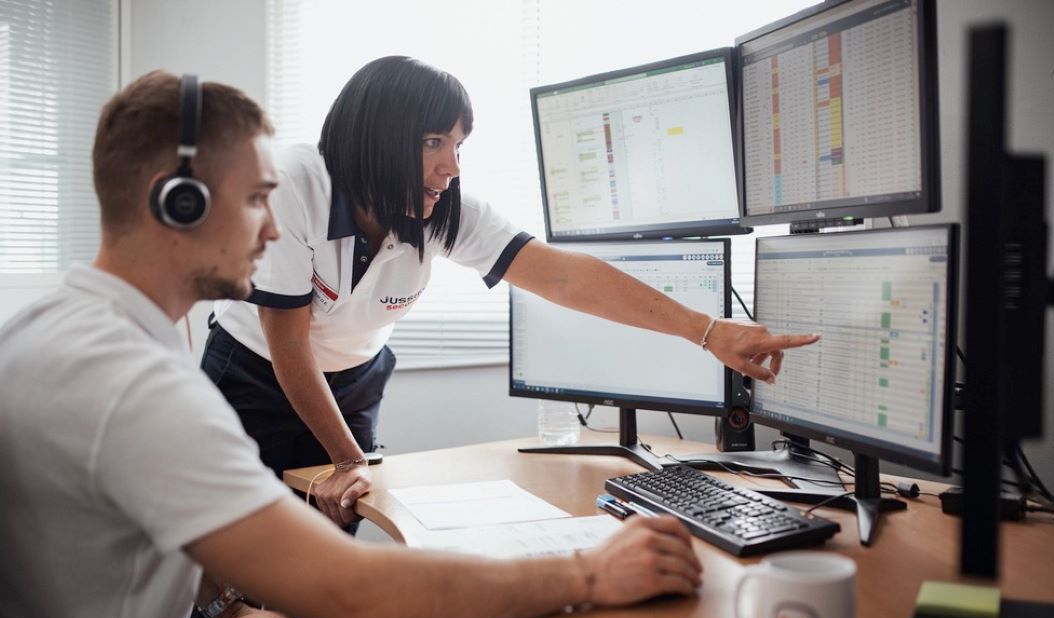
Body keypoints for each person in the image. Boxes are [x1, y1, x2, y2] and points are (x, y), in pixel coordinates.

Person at [0, 71, 703, 618]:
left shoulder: (56, 331)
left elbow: (175, 514)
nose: (274, 228)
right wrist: (589, 573)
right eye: (256, 200)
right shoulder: (143, 387)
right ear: (179, 201)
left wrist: (225, 606)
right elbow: (355, 594)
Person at [206, 55, 820, 528]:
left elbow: (563, 276)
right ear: (376, 138)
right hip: (256, 373)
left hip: (354, 380)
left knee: (325, 549)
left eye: (457, 146)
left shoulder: (444, 208)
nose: (451, 167)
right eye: (432, 142)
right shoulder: (294, 184)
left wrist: (706, 331)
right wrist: (348, 458)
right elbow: (289, 346)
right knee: (234, 538)